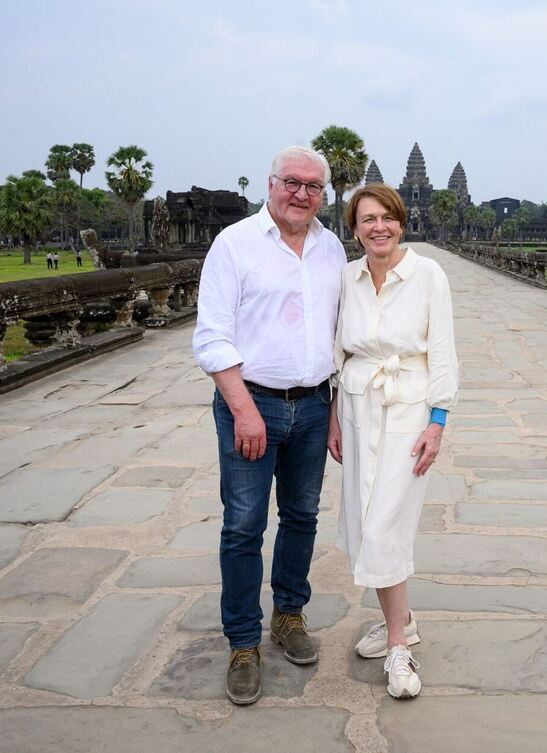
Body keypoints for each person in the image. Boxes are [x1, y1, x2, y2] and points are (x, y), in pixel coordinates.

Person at [192, 146, 345, 706]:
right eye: (292, 183)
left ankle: (288, 614)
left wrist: (333, 412)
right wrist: (243, 409)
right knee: (243, 526)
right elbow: (212, 337)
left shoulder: (331, 247)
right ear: (271, 183)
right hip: (250, 403)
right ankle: (242, 641)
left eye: (313, 186)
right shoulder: (234, 244)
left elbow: (338, 337)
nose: (301, 194)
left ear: (322, 194)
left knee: (302, 516)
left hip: (312, 405)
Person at [328, 184, 459, 699]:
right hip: (359, 406)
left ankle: (399, 646)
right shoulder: (348, 277)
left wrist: (438, 421)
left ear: (401, 223)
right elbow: (340, 355)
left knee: (386, 521)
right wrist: (336, 419)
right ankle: (398, 617)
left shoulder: (428, 274)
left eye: (386, 217)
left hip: (408, 408)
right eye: (366, 220)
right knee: (364, 517)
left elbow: (444, 352)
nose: (377, 227)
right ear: (354, 228)